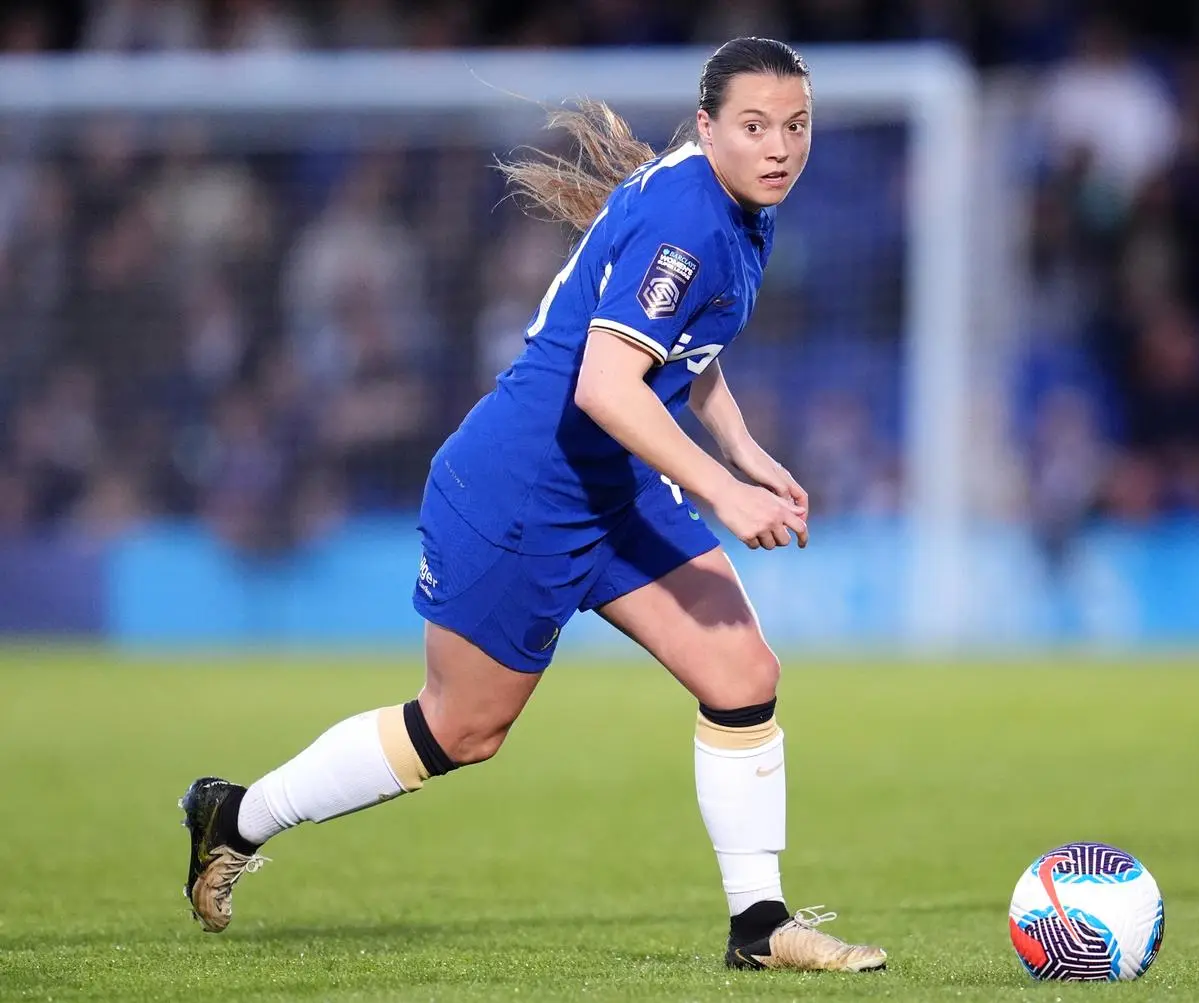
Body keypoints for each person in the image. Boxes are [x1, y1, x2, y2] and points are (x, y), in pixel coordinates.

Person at [179, 36, 887, 974]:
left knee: (741, 670)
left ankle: (758, 926)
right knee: (461, 728)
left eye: (796, 126)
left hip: (614, 484)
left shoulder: (737, 203)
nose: (780, 147)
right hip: (522, 490)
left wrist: (746, 450)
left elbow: (687, 350)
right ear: (707, 127)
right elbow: (605, 384)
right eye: (754, 126)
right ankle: (236, 814)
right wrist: (722, 490)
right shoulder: (691, 221)